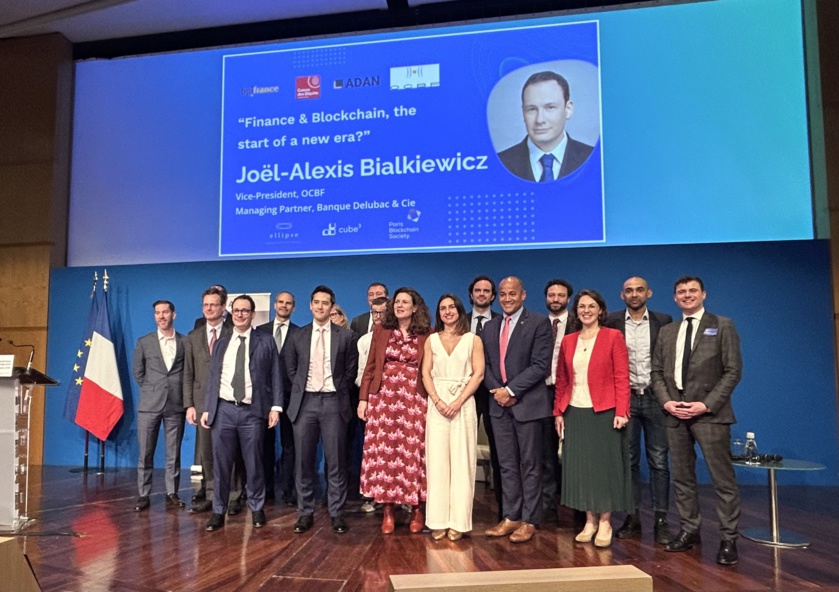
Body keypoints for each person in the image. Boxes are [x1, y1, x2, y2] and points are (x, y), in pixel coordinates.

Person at [651, 276, 742, 565]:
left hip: (710, 416)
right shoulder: (667, 331)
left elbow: (732, 371)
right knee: (682, 478)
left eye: (692, 291)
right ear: (675, 298)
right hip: (675, 414)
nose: (687, 295)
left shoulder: (723, 325)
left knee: (722, 481)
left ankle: (729, 539)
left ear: (703, 294)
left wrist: (706, 404)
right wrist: (666, 402)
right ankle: (689, 530)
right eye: (681, 292)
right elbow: (655, 373)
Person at [554, 289, 632, 548]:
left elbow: (622, 376)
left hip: (605, 412)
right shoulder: (568, 341)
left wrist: (622, 411)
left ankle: (606, 521)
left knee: (604, 469)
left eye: (591, 306)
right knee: (582, 470)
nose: (586, 311)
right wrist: (558, 411)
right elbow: (562, 380)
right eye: (581, 307)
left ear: (600, 310)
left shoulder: (613, 337)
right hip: (575, 411)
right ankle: (589, 521)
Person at [201, 295, 282, 532]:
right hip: (223, 410)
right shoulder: (222, 343)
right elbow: (213, 378)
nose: (240, 314)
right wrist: (208, 408)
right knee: (221, 465)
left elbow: (275, 375)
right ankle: (218, 511)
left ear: (252, 314)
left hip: (252, 412)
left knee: (254, 464)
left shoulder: (265, 341)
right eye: (236, 310)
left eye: (245, 311)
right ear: (230, 313)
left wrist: (275, 407)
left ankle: (256, 508)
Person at [482, 277, 552, 544]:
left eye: (512, 293)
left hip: (527, 405)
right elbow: (484, 365)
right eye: (502, 294)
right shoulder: (489, 326)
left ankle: (530, 520)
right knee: (507, 465)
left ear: (523, 295)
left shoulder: (538, 322)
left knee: (530, 465)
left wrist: (511, 391)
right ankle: (511, 516)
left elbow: (540, 365)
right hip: (498, 406)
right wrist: (498, 391)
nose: (507, 298)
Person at [605, 276, 673, 544]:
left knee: (659, 461)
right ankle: (632, 517)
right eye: (629, 291)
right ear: (622, 295)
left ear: (649, 292)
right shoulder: (611, 321)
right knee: (629, 461)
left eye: (639, 290)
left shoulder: (664, 321)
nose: (634, 294)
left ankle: (661, 519)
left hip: (657, 398)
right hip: (626, 399)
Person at [286, 286, 359, 535]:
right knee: (303, 462)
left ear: (332, 307)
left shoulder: (346, 337)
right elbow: (291, 369)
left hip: (333, 402)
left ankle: (336, 512)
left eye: (325, 303)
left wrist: (337, 389)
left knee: (336, 461)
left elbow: (351, 372)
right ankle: (305, 512)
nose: (320, 306)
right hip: (304, 403)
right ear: (310, 305)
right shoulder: (298, 335)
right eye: (316, 302)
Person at [358, 287, 431, 534]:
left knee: (413, 454)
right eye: (397, 301)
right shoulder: (381, 331)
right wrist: (363, 399)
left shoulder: (426, 334)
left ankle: (417, 508)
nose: (399, 305)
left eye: (405, 302)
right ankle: (388, 510)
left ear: (415, 307)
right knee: (385, 456)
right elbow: (370, 367)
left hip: (414, 400)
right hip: (383, 401)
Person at [421, 294, 485, 541]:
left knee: (461, 463)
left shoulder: (472, 340)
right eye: (443, 308)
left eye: (452, 307)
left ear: (459, 310)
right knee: (437, 463)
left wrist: (458, 401)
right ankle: (437, 520)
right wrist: (437, 400)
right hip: (436, 405)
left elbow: (478, 374)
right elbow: (425, 373)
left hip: (463, 403)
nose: (447, 311)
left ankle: (458, 521)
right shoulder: (431, 340)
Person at [183, 286, 243, 514]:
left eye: (214, 305)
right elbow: (188, 374)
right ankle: (210, 494)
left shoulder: (233, 332)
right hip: (201, 403)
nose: (209, 308)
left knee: (231, 451)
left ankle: (235, 495)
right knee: (206, 452)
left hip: (228, 401)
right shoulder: (193, 336)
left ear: (223, 307)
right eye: (206, 305)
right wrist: (189, 405)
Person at [131, 300, 187, 511]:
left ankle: (172, 492)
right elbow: (138, 372)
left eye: (165, 312)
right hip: (149, 405)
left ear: (174, 314)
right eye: (157, 313)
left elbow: (187, 372)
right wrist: (153, 389)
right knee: (145, 452)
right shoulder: (144, 342)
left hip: (176, 404)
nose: (161, 316)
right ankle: (143, 494)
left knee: (174, 453)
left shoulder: (185, 341)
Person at [498, 71, 594, 182]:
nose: (540, 120)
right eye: (532, 109)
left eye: (550, 107)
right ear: (523, 112)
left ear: (568, 109)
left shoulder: (595, 158)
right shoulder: (499, 163)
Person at [256, 291, 300, 506]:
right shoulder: (260, 331)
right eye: (281, 302)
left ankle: (288, 488)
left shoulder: (300, 333)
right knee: (265, 444)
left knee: (290, 446)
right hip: (265, 397)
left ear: (294, 307)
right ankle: (268, 488)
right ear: (275, 305)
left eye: (288, 303)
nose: (284, 306)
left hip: (291, 396)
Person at [466, 275, 502, 519]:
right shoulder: (457, 321)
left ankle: (504, 508)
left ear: (492, 296)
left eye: (486, 291)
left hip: (492, 393)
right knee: (462, 449)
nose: (481, 294)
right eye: (477, 290)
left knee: (499, 450)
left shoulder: (502, 322)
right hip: (464, 394)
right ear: (471, 295)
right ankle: (461, 507)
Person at [541, 278, 575, 526]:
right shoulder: (538, 325)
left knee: (575, 453)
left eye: (560, 295)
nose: (555, 299)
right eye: (551, 295)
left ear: (568, 299)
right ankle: (548, 509)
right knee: (546, 455)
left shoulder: (579, 324)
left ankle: (578, 510)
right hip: (542, 393)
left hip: (573, 395)